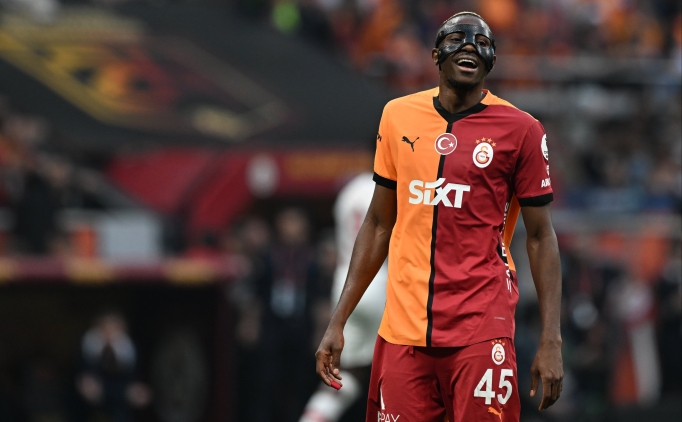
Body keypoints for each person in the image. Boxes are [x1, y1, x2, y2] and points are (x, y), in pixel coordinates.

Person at [315, 11, 563, 422]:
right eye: (457, 39)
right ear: (435, 55)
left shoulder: (522, 130)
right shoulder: (397, 115)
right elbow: (378, 223)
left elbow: (541, 236)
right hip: (402, 330)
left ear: (492, 61)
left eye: (482, 43)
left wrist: (551, 339)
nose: (470, 47)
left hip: (481, 326)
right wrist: (337, 321)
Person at [300, 173, 388, 422]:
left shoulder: (349, 191)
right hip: (383, 282)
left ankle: (313, 418)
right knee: (399, 369)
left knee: (347, 371)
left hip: (347, 286)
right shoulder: (393, 186)